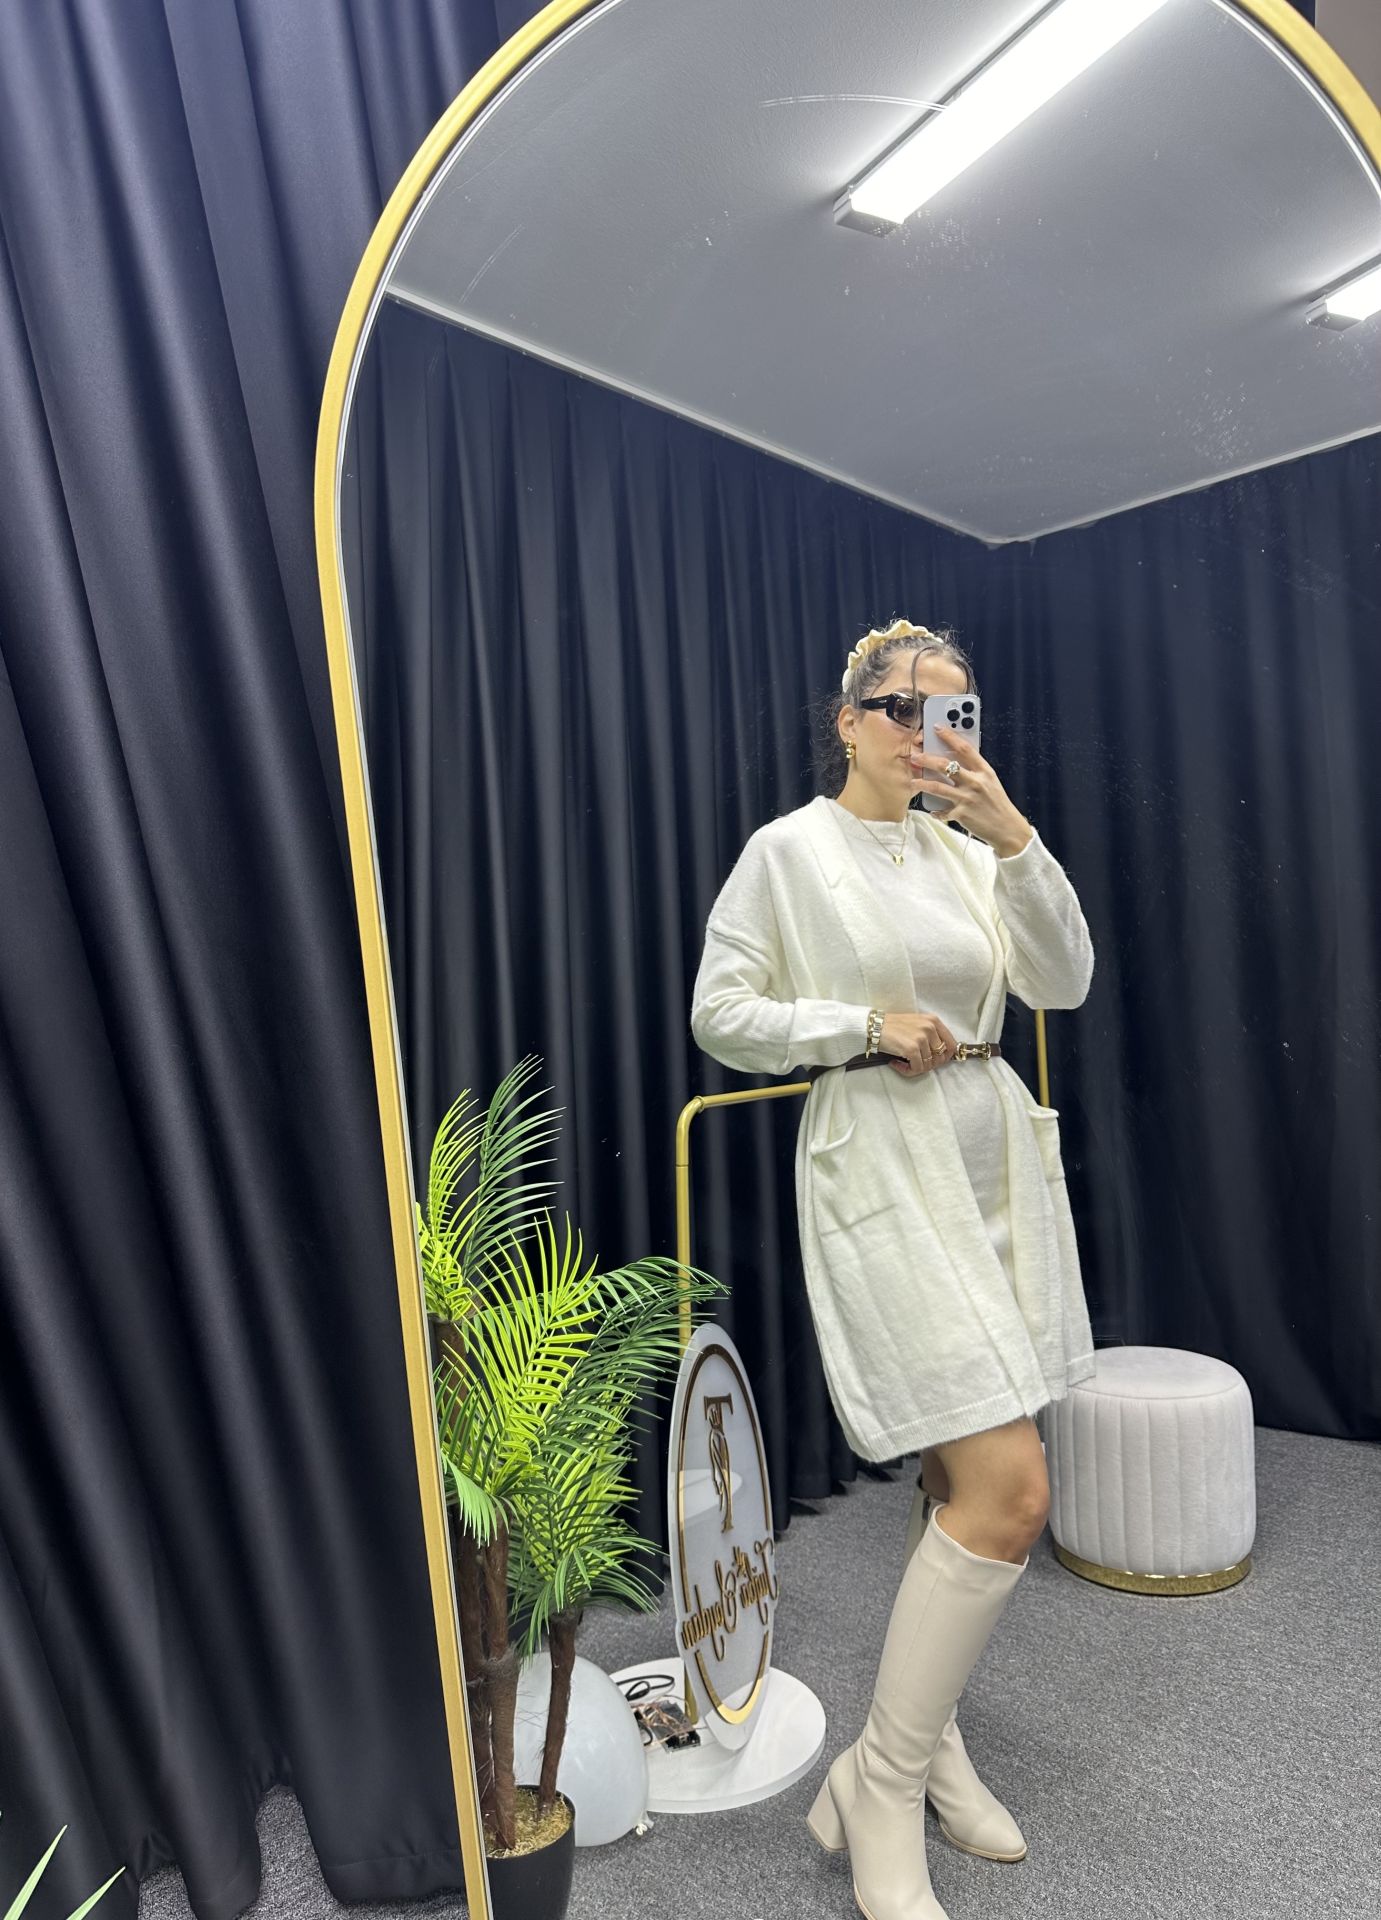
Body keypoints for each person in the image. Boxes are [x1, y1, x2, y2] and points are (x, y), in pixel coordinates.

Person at [689, 617, 1097, 1920]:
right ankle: (884, 1781)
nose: (930, 735)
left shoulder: (972, 851)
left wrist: (1013, 835)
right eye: (905, 710)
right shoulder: (789, 852)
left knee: (954, 1474)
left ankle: (923, 1753)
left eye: (954, 713)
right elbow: (721, 1013)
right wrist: (859, 1024)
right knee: (1009, 1490)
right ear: (849, 720)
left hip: (991, 1169)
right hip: (879, 1158)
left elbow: (1063, 980)